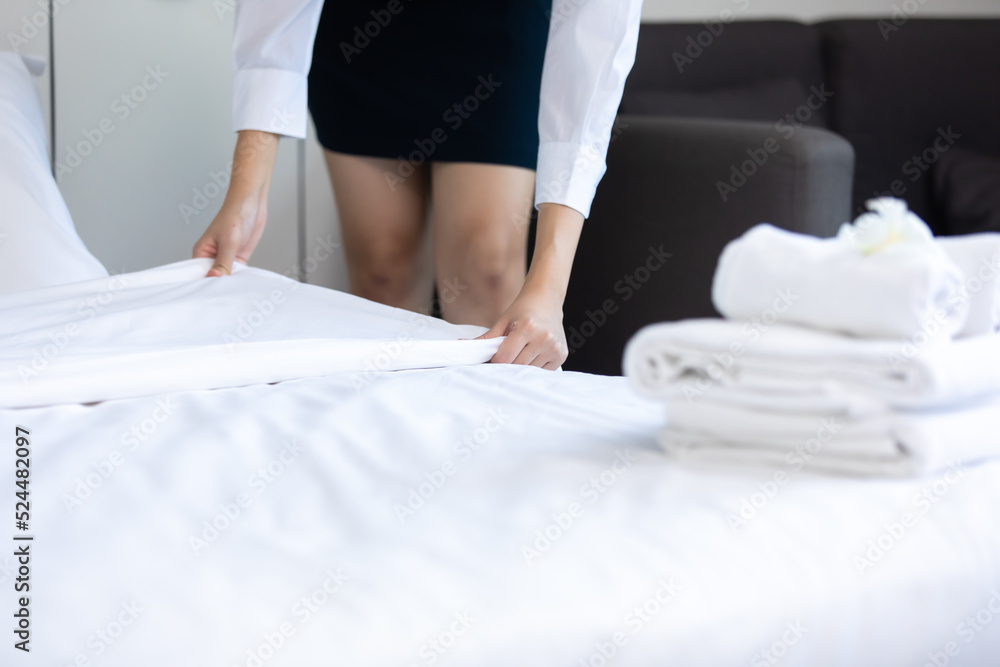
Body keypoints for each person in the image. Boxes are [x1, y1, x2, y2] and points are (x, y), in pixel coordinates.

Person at [193, 0, 642, 370]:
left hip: (502, 38)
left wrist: (548, 290)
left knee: (486, 269)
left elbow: (596, 41)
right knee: (382, 271)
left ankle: (483, 437)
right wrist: (247, 190)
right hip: (363, 36)